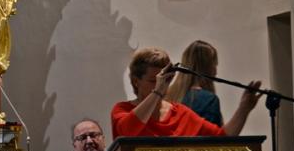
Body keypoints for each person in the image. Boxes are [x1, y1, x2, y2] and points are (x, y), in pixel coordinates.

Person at [111, 47, 262, 139]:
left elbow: (222, 137)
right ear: (136, 81)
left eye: (165, 80)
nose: (162, 85)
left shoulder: (180, 113)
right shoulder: (122, 110)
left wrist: (244, 109)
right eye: (153, 81)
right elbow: (128, 131)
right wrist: (157, 92)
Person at [167, 40, 224, 125]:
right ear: (207, 68)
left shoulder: (167, 95)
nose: (216, 72)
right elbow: (216, 133)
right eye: (214, 64)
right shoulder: (208, 100)